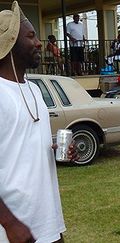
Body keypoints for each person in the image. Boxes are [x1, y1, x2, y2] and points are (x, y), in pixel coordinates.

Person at [0, 2, 77, 242]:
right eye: (31, 36)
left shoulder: (33, 89)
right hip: (12, 230)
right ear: (11, 42)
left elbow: (23, 147)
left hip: (46, 222)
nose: (38, 43)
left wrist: (56, 151)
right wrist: (10, 224)